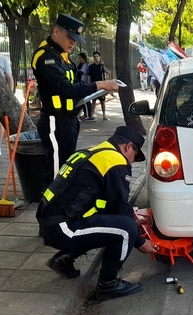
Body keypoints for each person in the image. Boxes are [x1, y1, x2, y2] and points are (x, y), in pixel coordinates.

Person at [37, 126, 158, 301]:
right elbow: (118, 206)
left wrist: (128, 215)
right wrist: (140, 242)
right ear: (128, 146)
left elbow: (107, 204)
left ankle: (64, 259)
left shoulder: (94, 153)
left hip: (52, 223)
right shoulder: (116, 161)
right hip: (63, 228)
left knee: (114, 225)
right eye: (135, 156)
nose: (132, 161)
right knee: (126, 229)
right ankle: (108, 286)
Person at [31, 14, 120, 189]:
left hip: (69, 120)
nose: (73, 43)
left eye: (75, 39)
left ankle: (60, 209)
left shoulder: (61, 55)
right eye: (70, 37)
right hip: (55, 121)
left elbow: (76, 85)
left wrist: (98, 89)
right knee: (56, 174)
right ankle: (50, 212)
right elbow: (65, 89)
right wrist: (100, 84)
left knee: (65, 170)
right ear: (56, 31)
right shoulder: (45, 56)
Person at [86, 51, 111, 121]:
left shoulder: (102, 66)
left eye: (97, 56)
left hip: (102, 85)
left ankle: (104, 115)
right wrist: (89, 85)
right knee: (93, 100)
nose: (96, 58)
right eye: (94, 57)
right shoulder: (91, 66)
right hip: (94, 85)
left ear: (100, 57)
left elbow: (108, 72)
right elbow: (89, 76)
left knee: (102, 101)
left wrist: (103, 65)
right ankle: (92, 115)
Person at [76, 52, 92, 121]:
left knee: (86, 100)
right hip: (79, 84)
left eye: (80, 58)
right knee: (81, 100)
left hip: (85, 84)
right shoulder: (79, 66)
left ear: (84, 58)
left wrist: (88, 84)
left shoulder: (88, 65)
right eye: (78, 58)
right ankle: (83, 114)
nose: (79, 59)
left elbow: (89, 75)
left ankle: (88, 115)